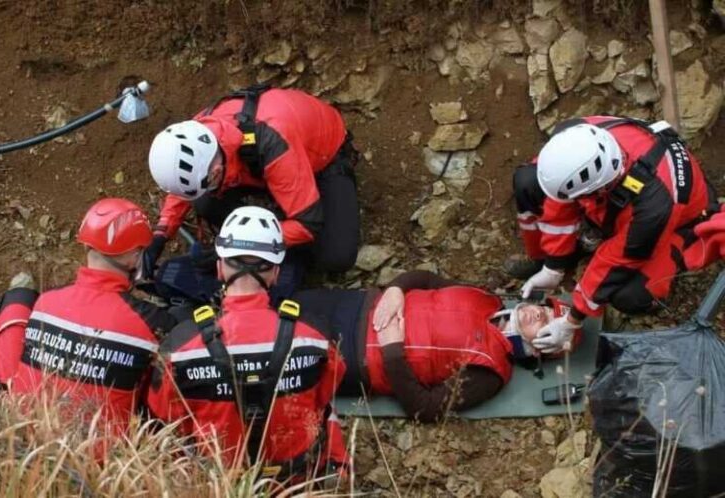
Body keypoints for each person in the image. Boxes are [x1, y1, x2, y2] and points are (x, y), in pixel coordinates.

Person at [146, 206, 348, 482]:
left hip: (215, 485)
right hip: (295, 482)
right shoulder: (315, 337)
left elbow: (165, 420)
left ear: (219, 268)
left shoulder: (180, 348)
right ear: (275, 273)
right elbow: (327, 390)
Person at [508, 116, 719, 354]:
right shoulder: (575, 135)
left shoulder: (653, 206)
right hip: (622, 200)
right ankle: (543, 260)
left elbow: (617, 259)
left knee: (632, 296)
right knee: (527, 181)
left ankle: (654, 298)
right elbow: (560, 200)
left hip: (677, 224)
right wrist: (553, 266)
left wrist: (573, 319)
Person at [144, 85, 360, 299]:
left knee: (336, 255)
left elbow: (308, 222)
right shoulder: (197, 134)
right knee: (206, 203)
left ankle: (292, 254)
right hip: (257, 160)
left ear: (216, 171)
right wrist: (160, 235)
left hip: (322, 157)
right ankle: (274, 223)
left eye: (208, 183)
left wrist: (236, 246)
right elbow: (182, 188)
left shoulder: (271, 141)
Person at [293, 270, 577, 422]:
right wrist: (396, 288)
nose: (540, 312)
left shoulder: (489, 373)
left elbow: (425, 408)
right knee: (277, 303)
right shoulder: (486, 299)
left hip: (353, 355)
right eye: (545, 307)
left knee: (270, 345)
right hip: (356, 303)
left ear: (540, 348)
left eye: (547, 323)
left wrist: (392, 349)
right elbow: (428, 280)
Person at [4, 198, 177, 435]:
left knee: (18, 300)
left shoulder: (45, 302)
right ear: (132, 257)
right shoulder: (153, 323)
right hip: (102, 461)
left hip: (21, 439)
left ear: (86, 246)